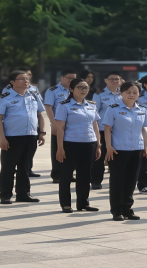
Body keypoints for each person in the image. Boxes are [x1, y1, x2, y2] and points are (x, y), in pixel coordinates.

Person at [0, 70, 46, 204]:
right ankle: (5, 194)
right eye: (21, 79)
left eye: (27, 79)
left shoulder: (33, 96)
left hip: (31, 136)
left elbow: (40, 115)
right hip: (12, 137)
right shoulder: (4, 98)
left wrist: (42, 133)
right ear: (12, 82)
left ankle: (23, 194)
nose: (25, 81)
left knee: (25, 167)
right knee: (8, 167)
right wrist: (2, 138)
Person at [103, 81, 147, 221]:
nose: (131, 95)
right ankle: (116, 211)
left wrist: (146, 146)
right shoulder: (113, 109)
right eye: (128, 92)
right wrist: (108, 146)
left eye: (135, 92)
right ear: (121, 93)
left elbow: (144, 129)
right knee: (117, 181)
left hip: (137, 149)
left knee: (131, 180)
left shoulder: (142, 109)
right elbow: (107, 129)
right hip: (118, 149)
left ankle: (128, 209)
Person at [54, 78, 102, 213]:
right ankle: (66, 204)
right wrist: (60, 148)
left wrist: (98, 145)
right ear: (71, 89)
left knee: (85, 175)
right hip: (70, 143)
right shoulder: (64, 105)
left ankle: (83, 203)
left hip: (89, 143)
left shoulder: (91, 105)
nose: (83, 90)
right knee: (66, 175)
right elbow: (60, 128)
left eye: (85, 87)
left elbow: (95, 125)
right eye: (80, 87)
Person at [43, 69, 77, 183]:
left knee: (71, 150)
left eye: (73, 78)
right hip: (59, 124)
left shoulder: (75, 90)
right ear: (62, 78)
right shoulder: (53, 91)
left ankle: (69, 174)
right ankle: (57, 174)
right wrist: (53, 124)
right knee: (58, 149)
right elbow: (48, 107)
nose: (71, 80)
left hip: (72, 125)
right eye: (69, 78)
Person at [90, 72, 122, 190]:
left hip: (118, 130)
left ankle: (117, 181)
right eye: (111, 79)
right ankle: (96, 181)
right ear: (106, 80)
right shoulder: (99, 95)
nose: (114, 81)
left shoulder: (123, 94)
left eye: (116, 79)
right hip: (103, 129)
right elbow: (94, 112)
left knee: (117, 156)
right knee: (99, 156)